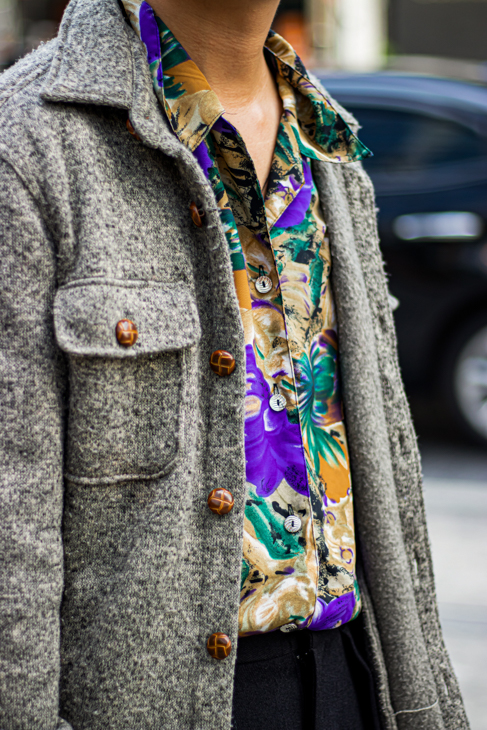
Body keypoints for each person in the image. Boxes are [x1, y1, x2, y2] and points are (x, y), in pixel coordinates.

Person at [0, 0, 469, 728]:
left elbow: (393, 494)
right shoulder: (29, 145)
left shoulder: (327, 148)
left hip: (354, 677)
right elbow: (11, 537)